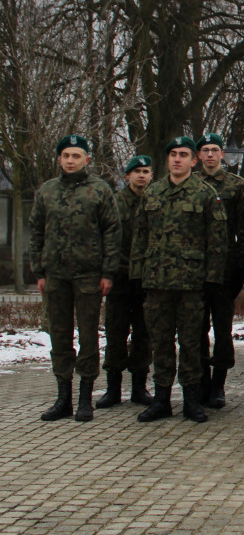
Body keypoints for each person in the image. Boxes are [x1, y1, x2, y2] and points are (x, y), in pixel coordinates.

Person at [131, 136, 227, 423]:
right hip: (157, 282)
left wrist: (212, 280)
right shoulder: (152, 192)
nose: (177, 159)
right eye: (172, 154)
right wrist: (137, 275)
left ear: (193, 160)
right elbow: (140, 236)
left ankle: (191, 400)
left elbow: (217, 241)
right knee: (160, 343)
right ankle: (161, 399)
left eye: (183, 154)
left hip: (191, 284)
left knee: (191, 344)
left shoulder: (205, 193)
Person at [30, 135, 120, 422]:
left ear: (87, 160)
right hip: (55, 275)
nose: (70, 160)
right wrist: (39, 271)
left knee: (89, 335)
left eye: (76, 156)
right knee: (59, 335)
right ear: (59, 159)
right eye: (66, 155)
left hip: (88, 275)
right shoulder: (47, 191)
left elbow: (112, 232)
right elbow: (35, 232)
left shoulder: (100, 190)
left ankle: (85, 398)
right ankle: (63, 398)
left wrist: (107, 272)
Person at [96, 155, 155, 409]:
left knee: (144, 334)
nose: (141, 175)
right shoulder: (114, 203)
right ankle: (112, 389)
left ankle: (140, 388)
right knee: (116, 332)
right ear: (127, 176)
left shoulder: (156, 201)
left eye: (146, 171)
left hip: (147, 279)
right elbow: (105, 239)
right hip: (120, 278)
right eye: (137, 171)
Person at [195, 132, 244, 408]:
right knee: (196, 328)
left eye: (215, 150)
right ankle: (201, 381)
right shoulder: (190, 185)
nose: (210, 155)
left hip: (225, 269)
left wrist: (240, 267)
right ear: (198, 155)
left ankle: (218, 384)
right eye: (205, 150)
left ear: (221, 155)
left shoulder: (235, 185)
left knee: (222, 329)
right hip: (195, 268)